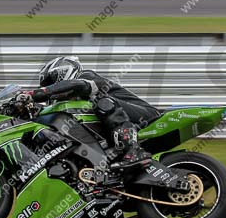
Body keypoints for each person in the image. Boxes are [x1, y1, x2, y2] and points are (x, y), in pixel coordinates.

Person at [23, 56, 161, 170]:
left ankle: (134, 150)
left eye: (50, 82)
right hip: (122, 126)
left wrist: (35, 94)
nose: (49, 87)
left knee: (102, 102)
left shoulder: (87, 77)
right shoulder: (76, 102)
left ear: (62, 73)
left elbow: (77, 86)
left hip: (146, 116)